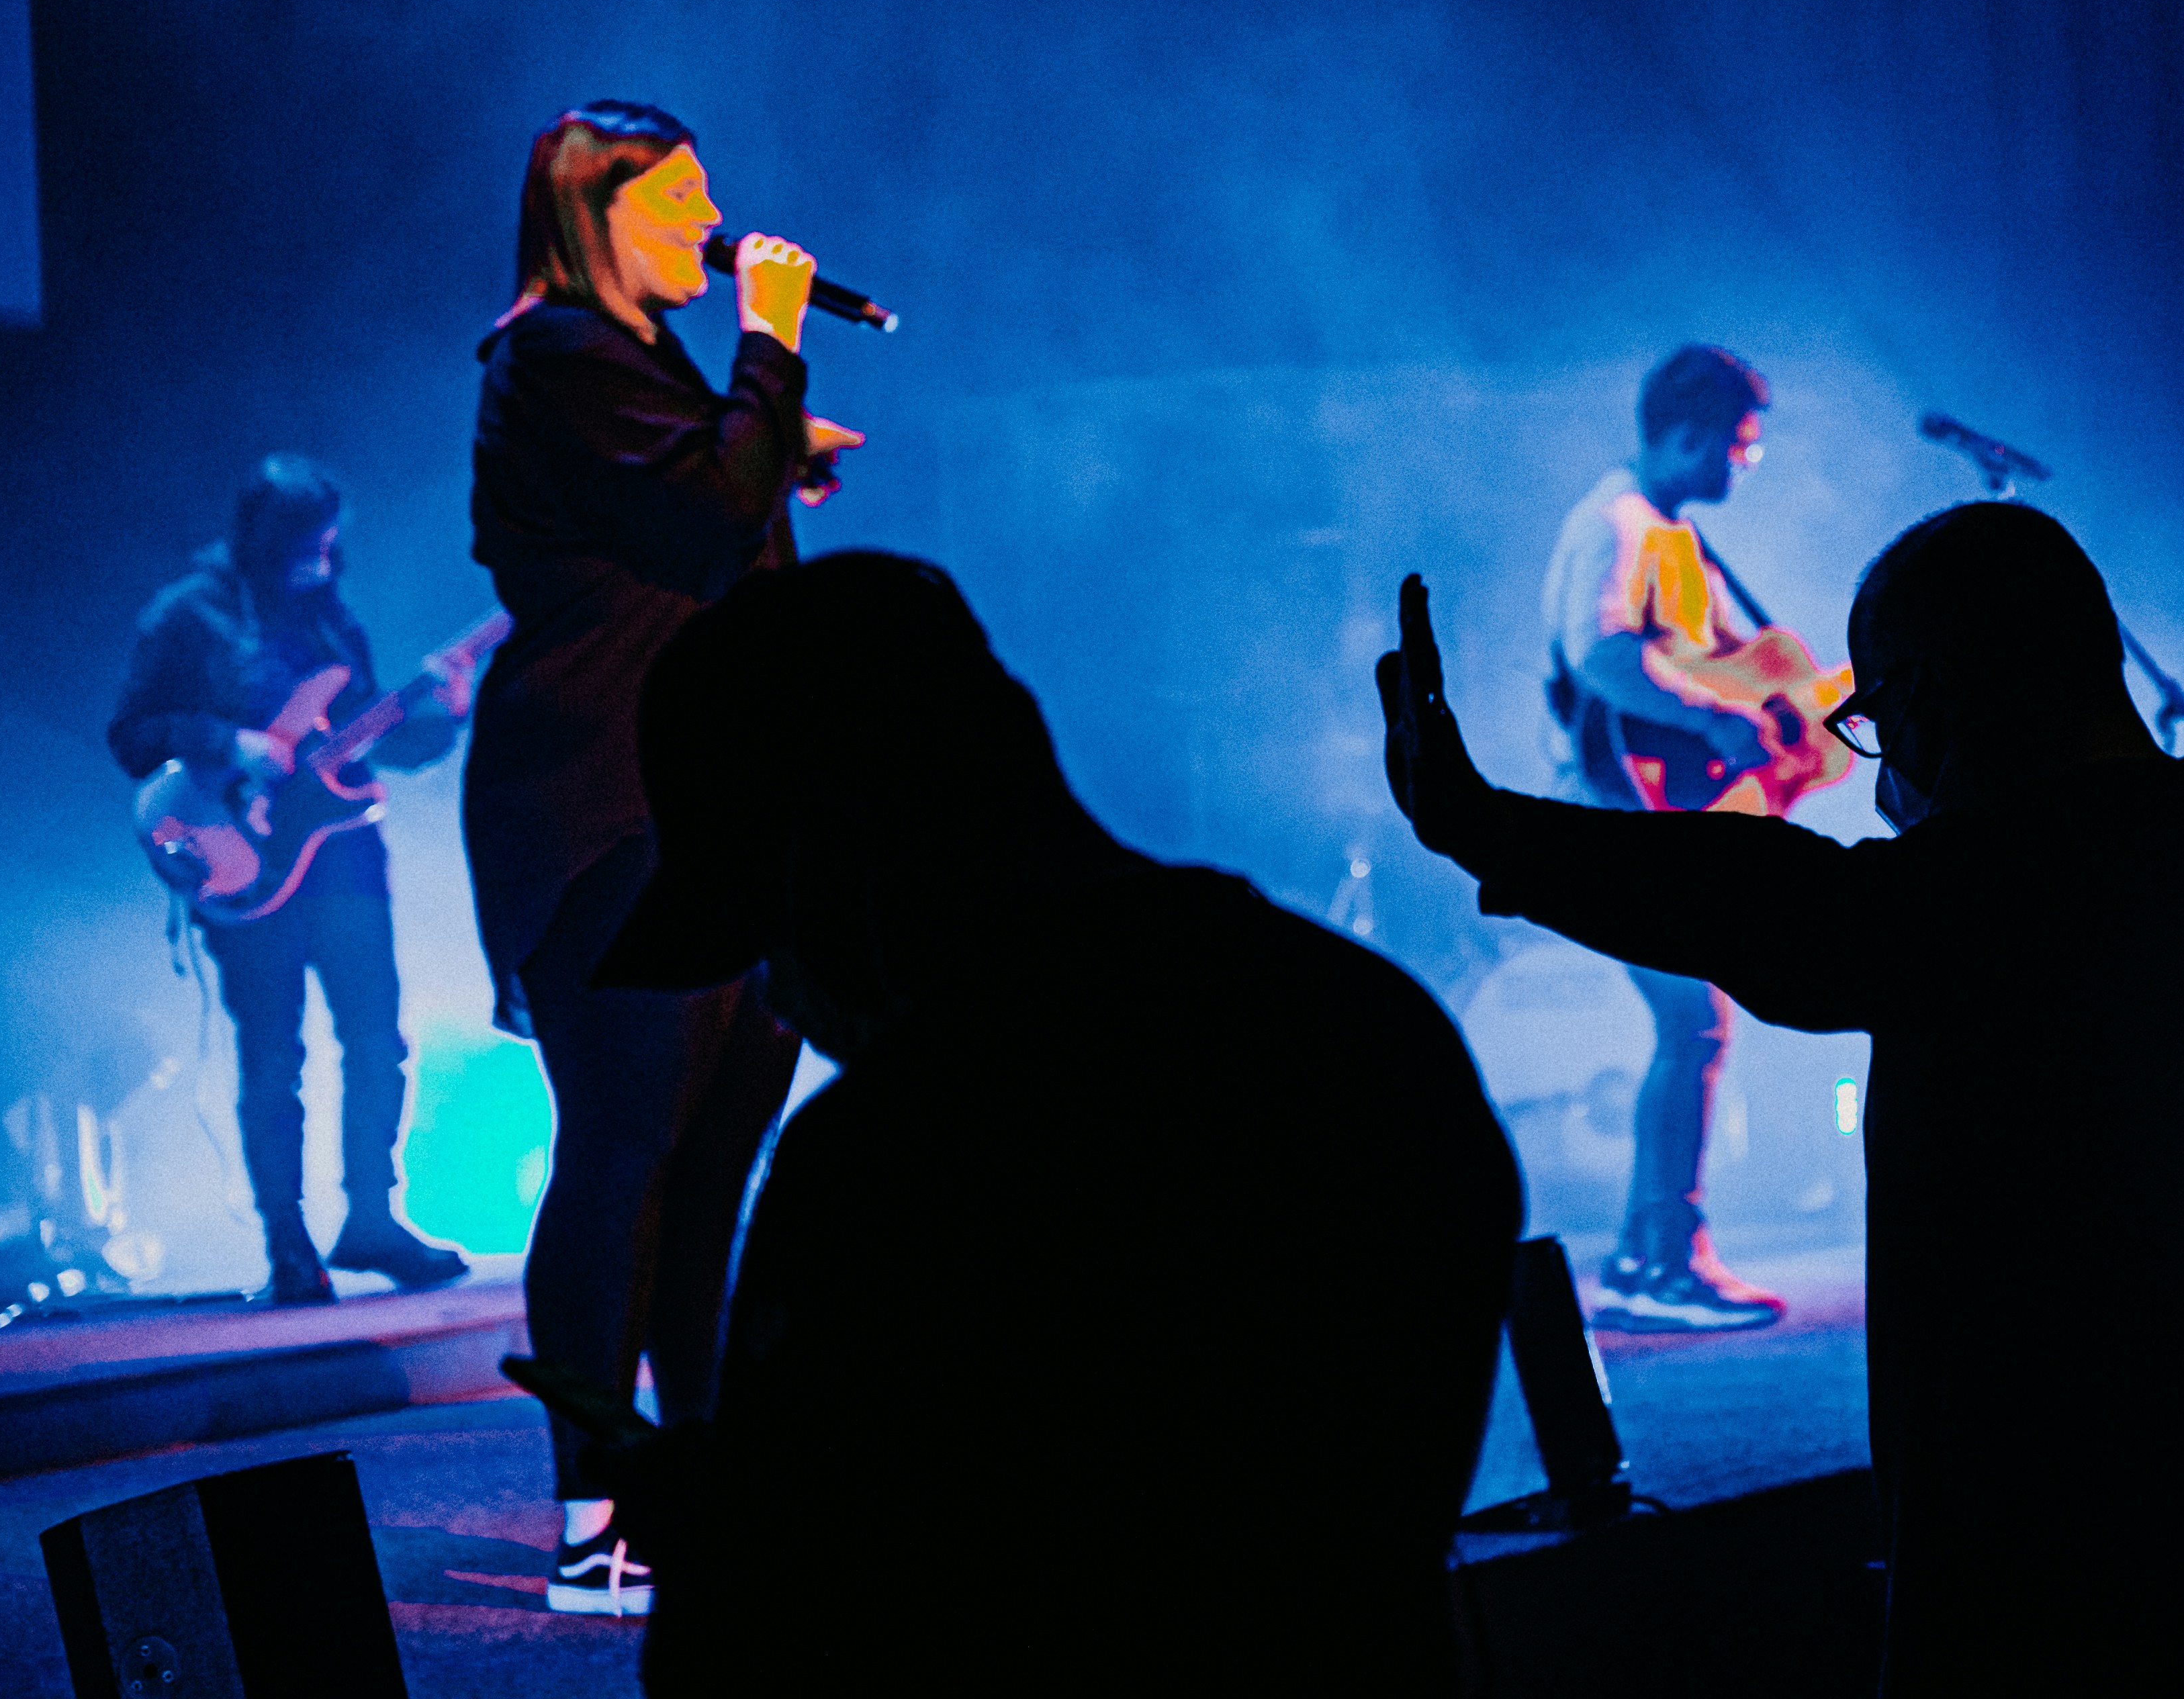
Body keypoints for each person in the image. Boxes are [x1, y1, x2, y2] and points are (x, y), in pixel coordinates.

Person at [1390, 359, 2184, 1691]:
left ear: (1930, 699)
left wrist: (1482, 819)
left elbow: (1738, 888)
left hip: (2017, 1639)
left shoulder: (1965, 906)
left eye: (1871, 718)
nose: (1873, 789)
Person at [580, 551, 1520, 1696]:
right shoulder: (1372, 1028)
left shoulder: (887, 1161)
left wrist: (728, 1529)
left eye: (765, 927)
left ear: (834, 851)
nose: (774, 994)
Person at [461, 100, 862, 1617]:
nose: (713, 219)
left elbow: (701, 510)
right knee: (623, 1152)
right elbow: (699, 522)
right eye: (681, 195)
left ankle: (705, 1478)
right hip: (604, 797)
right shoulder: (554, 350)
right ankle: (592, 1518)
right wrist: (773, 348)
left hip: (713, 793)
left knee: (709, 1161)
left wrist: (777, 444)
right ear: (596, 214)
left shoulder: (637, 367)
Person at [107, 455, 482, 1305]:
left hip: (344, 857)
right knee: (274, 1052)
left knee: (378, 1039)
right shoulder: (189, 615)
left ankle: (373, 1219)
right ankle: (288, 1241)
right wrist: (233, 745)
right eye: (307, 540)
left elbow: (370, 737)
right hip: (240, 854)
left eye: (329, 540)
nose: (322, 553)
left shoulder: (331, 622)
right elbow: (132, 732)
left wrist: (443, 717)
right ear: (265, 536)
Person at [1538, 342, 1797, 1330]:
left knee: (1693, 1026)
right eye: (1738, 444)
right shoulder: (1617, 525)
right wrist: (1714, 720)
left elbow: (1736, 662)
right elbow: (1602, 658)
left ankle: (1654, 1256)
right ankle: (1662, 1263)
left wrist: (1773, 711)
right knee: (1691, 1024)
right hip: (1618, 820)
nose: (1744, 463)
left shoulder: (1672, 535)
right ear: (1685, 436)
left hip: (1654, 820)